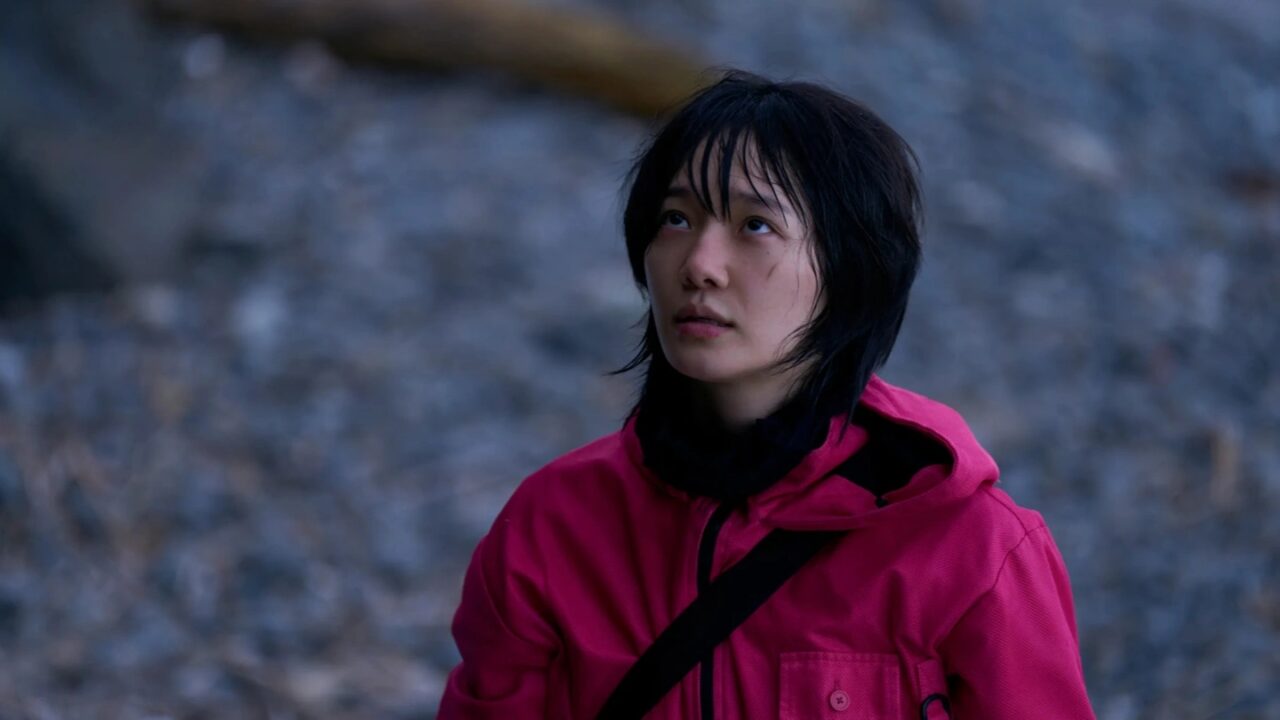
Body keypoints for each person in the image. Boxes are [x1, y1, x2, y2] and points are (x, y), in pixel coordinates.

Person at [437, 70, 1096, 719]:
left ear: (850, 268)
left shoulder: (971, 549)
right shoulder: (552, 529)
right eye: (676, 218)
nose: (700, 264)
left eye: (755, 226)